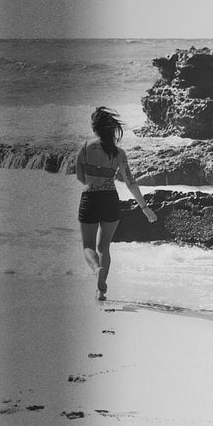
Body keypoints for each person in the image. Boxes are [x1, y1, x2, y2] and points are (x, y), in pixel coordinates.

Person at [75, 106, 156, 300]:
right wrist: (145, 208)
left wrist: (94, 178)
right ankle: (100, 291)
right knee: (104, 247)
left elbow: (80, 177)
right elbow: (130, 182)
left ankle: (97, 271)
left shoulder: (85, 148)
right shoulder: (119, 153)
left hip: (90, 199)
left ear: (95, 129)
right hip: (110, 200)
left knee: (88, 246)